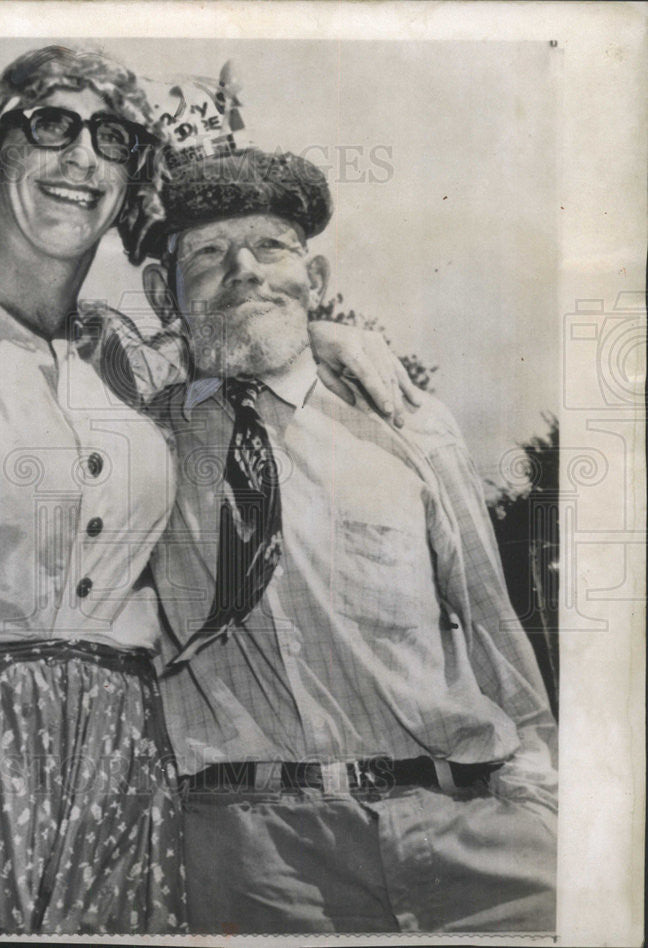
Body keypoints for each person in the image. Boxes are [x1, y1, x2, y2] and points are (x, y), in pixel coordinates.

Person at [0, 47, 406, 935]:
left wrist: (323, 334)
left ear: (134, 179)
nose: (82, 158)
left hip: (126, 777)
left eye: (113, 139)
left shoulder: (134, 363)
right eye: (52, 125)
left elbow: (241, 326)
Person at [130, 146, 559, 933]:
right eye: (209, 254)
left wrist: (543, 792)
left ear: (316, 279)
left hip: (471, 835)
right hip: (255, 860)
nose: (246, 269)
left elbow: (494, 624)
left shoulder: (411, 423)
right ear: (166, 292)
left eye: (272, 247)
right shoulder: (136, 446)